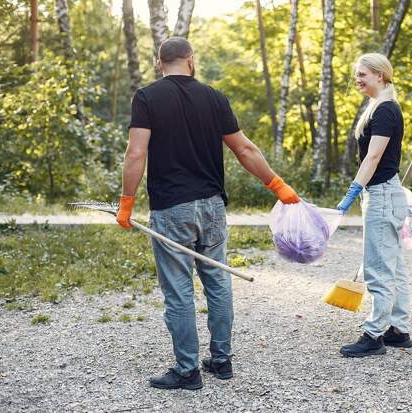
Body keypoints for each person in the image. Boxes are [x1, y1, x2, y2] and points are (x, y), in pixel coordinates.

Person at [116, 37, 300, 390]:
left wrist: (127, 201)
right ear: (190, 59)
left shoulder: (147, 97)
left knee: (179, 290)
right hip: (212, 205)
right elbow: (244, 149)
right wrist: (276, 185)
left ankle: (188, 371)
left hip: (172, 208)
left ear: (160, 63)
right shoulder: (214, 97)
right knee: (217, 282)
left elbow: (135, 153)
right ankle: (222, 360)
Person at [336, 53, 412, 357]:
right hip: (386, 192)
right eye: (357, 74)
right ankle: (399, 329)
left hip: (381, 195)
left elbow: (373, 156)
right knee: (394, 266)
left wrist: (353, 190)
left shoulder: (384, 110)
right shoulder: (380, 106)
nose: (357, 79)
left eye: (362, 74)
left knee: (378, 269)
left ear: (380, 75)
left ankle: (374, 334)